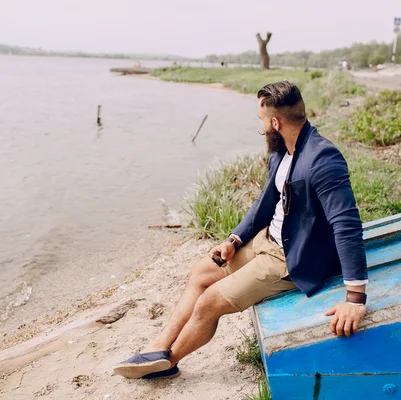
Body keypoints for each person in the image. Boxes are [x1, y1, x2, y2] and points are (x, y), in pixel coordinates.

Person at [113, 81, 368, 380]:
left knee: (210, 302)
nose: (260, 128)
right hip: (265, 241)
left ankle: (169, 363)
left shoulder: (322, 158)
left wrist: (355, 298)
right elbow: (265, 202)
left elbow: (346, 223)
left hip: (290, 259)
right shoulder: (282, 151)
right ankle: (158, 346)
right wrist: (234, 239)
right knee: (200, 273)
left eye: (261, 121)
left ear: (275, 122)